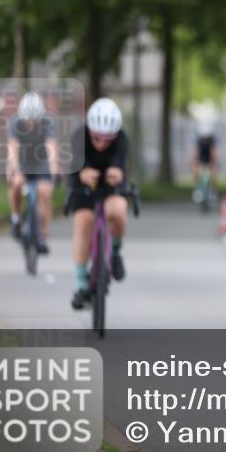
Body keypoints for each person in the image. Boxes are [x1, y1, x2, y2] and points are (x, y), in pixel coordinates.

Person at [68, 98, 130, 310]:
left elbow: (120, 164)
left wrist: (116, 172)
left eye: (108, 139)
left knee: (118, 210)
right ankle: (81, 284)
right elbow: (75, 165)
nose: (102, 143)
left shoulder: (122, 139)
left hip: (111, 184)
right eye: (97, 138)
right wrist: (83, 172)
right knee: (84, 223)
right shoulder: (78, 137)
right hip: (83, 185)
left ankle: (115, 252)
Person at [6, 92, 59, 253]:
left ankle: (43, 235)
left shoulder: (48, 122)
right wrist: (14, 167)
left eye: (34, 122)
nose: (31, 124)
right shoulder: (15, 122)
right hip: (22, 161)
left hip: (41, 163)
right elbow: (13, 147)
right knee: (17, 184)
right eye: (28, 121)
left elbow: (51, 145)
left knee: (45, 193)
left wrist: (54, 167)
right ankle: (16, 218)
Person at [191, 122, 218, 200]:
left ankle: (213, 190)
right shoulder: (198, 139)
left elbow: (214, 151)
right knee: (196, 171)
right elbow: (195, 151)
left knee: (213, 173)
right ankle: (196, 189)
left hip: (209, 158)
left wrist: (213, 162)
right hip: (201, 157)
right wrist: (195, 161)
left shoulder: (212, 140)